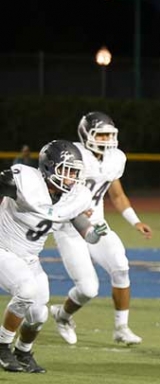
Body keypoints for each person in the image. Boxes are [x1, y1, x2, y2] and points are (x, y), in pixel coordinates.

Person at [0, 140, 107, 372]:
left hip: (29, 257)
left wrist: (92, 233)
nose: (72, 178)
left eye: (75, 173)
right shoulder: (24, 181)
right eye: (67, 171)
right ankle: (2, 346)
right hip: (3, 249)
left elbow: (77, 219)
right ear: (49, 167)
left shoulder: (74, 196)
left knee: (39, 314)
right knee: (26, 290)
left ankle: (23, 352)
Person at [50, 112, 153, 346]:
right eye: (102, 134)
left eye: (110, 134)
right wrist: (72, 207)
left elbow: (116, 194)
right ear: (86, 134)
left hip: (98, 223)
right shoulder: (73, 154)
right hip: (70, 227)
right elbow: (54, 189)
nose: (107, 139)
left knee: (121, 266)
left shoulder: (115, 158)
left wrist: (135, 221)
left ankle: (121, 328)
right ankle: (63, 316)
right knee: (88, 289)